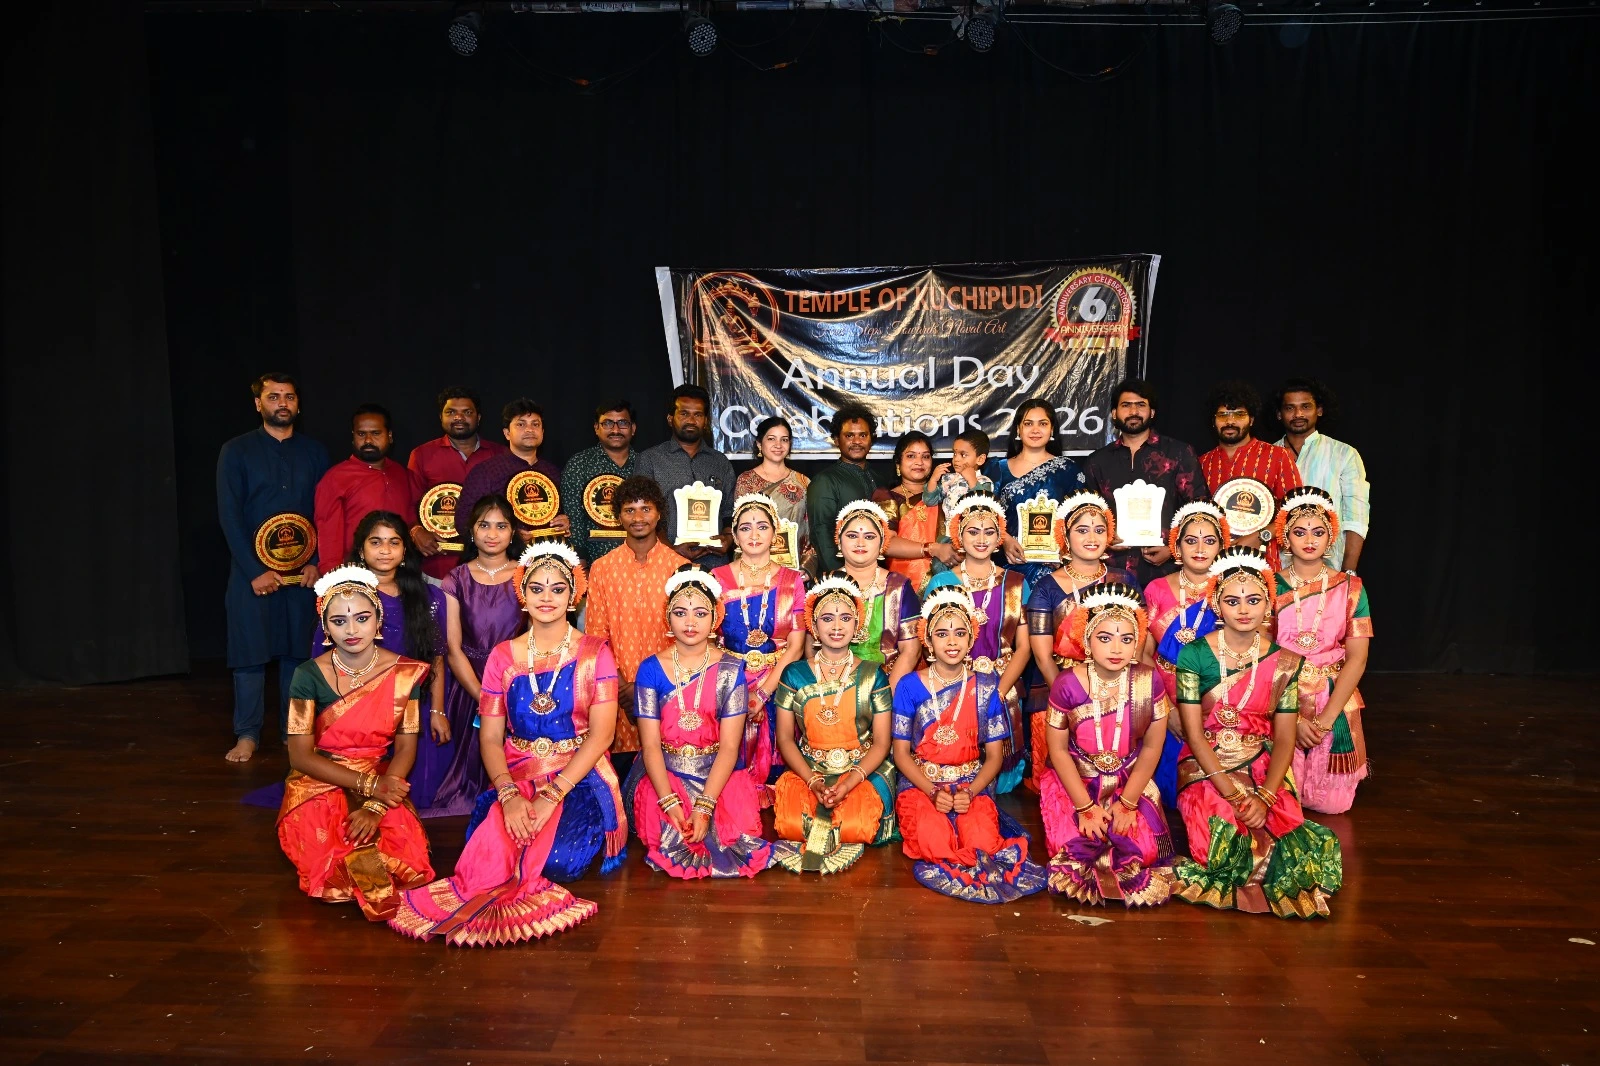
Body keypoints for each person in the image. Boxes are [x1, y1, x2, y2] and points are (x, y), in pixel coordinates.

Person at [389, 542, 626, 945]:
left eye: (557, 589)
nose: (546, 597)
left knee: (558, 862)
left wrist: (551, 795)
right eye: (537, 588)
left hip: (577, 775)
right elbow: (492, 736)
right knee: (494, 847)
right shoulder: (503, 656)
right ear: (523, 594)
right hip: (517, 773)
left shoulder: (594, 653)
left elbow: (602, 735)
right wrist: (509, 794)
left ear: (573, 596)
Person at [1171, 548, 1343, 918]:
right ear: (1218, 605)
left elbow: (1284, 739)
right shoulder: (1193, 656)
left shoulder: (1286, 662)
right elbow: (1194, 735)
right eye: (1233, 601)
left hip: (1263, 767)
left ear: (1268, 603)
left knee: (1295, 849)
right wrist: (1234, 796)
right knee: (1223, 845)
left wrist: (1264, 797)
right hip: (1208, 767)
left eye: (1253, 600)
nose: (1244, 609)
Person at [277, 566, 433, 920]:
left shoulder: (405, 673)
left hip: (380, 775)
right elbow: (300, 755)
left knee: (406, 859)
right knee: (335, 857)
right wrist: (370, 787)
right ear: (326, 627)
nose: (351, 630)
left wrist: (376, 805)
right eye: (339, 621)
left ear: (378, 620)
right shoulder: (307, 675)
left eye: (361, 618)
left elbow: (406, 748)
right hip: (318, 780)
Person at [891, 588, 1046, 903]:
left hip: (968, 784)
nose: (951, 642)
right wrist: (933, 791)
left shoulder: (987, 687)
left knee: (983, 844)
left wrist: (971, 792)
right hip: (922, 784)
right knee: (933, 842)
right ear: (928, 640)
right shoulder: (909, 685)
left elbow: (993, 757)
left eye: (960, 633)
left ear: (971, 638)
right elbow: (901, 754)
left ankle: (966, 822)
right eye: (942, 634)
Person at [626, 567, 774, 879]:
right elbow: (650, 745)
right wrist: (670, 803)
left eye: (700, 613)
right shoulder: (650, 670)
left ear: (715, 618)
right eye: (680, 613)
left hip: (719, 778)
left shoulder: (731, 669)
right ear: (668, 618)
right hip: (667, 774)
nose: (690, 622)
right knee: (672, 837)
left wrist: (705, 807)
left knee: (736, 838)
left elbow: (731, 746)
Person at [217, 372, 329, 762]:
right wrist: (253, 571)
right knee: (248, 655)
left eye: (289, 396)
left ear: (298, 404)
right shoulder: (236, 451)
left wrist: (318, 562)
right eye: (274, 396)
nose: (282, 403)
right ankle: (246, 734)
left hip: (303, 575)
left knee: (297, 657)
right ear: (258, 403)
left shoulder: (315, 452)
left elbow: (324, 513)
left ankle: (291, 733)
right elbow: (229, 516)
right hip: (252, 574)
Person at [1040, 584, 1175, 907]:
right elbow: (1057, 751)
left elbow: (1152, 748)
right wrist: (1085, 808)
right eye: (1105, 638)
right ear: (1086, 641)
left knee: (1146, 851)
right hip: (1076, 776)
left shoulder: (1147, 680)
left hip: (1129, 778)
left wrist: (1128, 803)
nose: (1116, 648)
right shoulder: (1067, 682)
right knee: (1070, 843)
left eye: (1126, 639)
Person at [313, 513, 448, 813]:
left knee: (423, 792)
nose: (385, 550)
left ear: (404, 552)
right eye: (376, 542)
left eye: (394, 542)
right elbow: (323, 660)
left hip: (413, 707)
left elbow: (436, 656)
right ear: (361, 550)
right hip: (358, 704)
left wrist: (437, 710)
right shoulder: (345, 597)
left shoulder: (428, 597)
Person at [770, 577, 897, 873]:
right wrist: (813, 780)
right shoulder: (795, 674)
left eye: (845, 618)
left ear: (857, 625)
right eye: (827, 618)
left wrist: (850, 780)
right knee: (789, 824)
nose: (836, 626)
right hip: (810, 770)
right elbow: (786, 739)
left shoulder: (872, 675)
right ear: (813, 627)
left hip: (860, 770)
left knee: (856, 826)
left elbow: (881, 743)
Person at [1272, 487, 1373, 814]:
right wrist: (1295, 719)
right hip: (1280, 699)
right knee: (1284, 803)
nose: (1309, 540)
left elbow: (1357, 659)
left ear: (1331, 537)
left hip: (1332, 700)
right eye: (1299, 532)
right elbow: (1260, 656)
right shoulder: (1267, 586)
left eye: (1318, 532)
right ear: (1285, 536)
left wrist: (1325, 719)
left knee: (1333, 806)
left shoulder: (1350, 588)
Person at [923, 493, 1032, 794]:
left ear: (1000, 538)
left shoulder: (1016, 583)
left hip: (1004, 683)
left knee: (1005, 785)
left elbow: (1024, 647)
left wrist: (996, 692)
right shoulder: (942, 583)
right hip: (954, 684)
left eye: (989, 531)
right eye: (973, 531)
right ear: (959, 535)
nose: (981, 539)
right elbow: (931, 644)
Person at [430, 495, 526, 817]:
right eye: (484, 525)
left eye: (501, 526)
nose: (492, 533)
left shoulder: (525, 575)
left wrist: (509, 693)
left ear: (512, 533)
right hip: (469, 682)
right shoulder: (455, 578)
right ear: (471, 531)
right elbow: (452, 648)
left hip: (519, 681)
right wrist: (484, 697)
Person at [711, 494, 808, 798]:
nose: (754, 535)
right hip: (729, 678)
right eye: (745, 527)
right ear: (735, 534)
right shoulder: (718, 578)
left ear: (775, 532)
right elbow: (710, 641)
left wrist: (764, 691)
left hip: (778, 680)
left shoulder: (793, 580)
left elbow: (795, 644)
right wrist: (740, 690)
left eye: (762, 527)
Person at [1024, 490, 1120, 790]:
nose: (1092, 536)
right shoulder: (1046, 587)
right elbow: (1041, 657)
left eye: (1099, 529)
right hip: (1059, 688)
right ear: (1065, 536)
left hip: (1116, 691)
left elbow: (1136, 646)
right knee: (1059, 789)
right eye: (1082, 529)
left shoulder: (1122, 581)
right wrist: (1072, 702)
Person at [584, 476, 683, 760]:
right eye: (629, 510)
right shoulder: (602, 568)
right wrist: (622, 687)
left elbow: (687, 635)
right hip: (616, 693)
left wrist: (647, 687)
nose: (638, 518)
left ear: (659, 513)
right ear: (618, 517)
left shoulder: (680, 568)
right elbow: (596, 635)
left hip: (669, 689)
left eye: (645, 509)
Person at [1082, 378, 1210, 589]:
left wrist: (1173, 547)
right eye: (1126, 405)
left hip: (1167, 572)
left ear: (1152, 412)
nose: (1133, 411)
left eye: (1141, 405)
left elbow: (1199, 509)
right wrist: (1103, 536)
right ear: (1114, 413)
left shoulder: (1178, 453)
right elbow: (1086, 514)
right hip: (1111, 571)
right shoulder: (1097, 461)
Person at [1142, 501, 1230, 806]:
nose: (1200, 549)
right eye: (1191, 540)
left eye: (1210, 541)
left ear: (1222, 545)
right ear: (1176, 546)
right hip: (1163, 694)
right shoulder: (1156, 589)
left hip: (1215, 696)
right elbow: (1143, 656)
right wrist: (1167, 708)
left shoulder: (1232, 589)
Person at [971, 398, 1089, 589]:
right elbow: (981, 515)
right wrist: (1005, 539)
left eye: (1043, 423)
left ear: (1052, 430)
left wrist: (1065, 548)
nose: (1035, 430)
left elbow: (1082, 518)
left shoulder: (1068, 470)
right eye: (1028, 424)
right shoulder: (995, 469)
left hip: (1055, 570)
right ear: (1018, 429)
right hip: (1007, 567)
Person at [314, 404, 434, 587]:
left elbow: (410, 517)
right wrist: (337, 583)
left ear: (390, 436)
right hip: (356, 577)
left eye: (376, 433)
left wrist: (417, 530)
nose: (368, 440)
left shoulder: (401, 473)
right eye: (361, 434)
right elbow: (328, 537)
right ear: (353, 437)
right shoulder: (335, 478)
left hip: (401, 575)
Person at [406, 386, 507, 580]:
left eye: (467, 412)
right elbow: (410, 503)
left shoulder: (500, 454)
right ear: (441, 417)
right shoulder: (422, 455)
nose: (459, 418)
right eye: (451, 412)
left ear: (478, 417)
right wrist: (416, 531)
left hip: (491, 564)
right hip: (439, 563)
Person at [1274, 378, 1370, 572]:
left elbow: (1356, 518)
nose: (1298, 414)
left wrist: (1347, 574)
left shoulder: (1343, 454)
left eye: (1306, 406)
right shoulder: (1267, 456)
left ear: (1319, 410)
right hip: (1277, 574)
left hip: (1330, 570)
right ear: (1279, 414)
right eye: (1290, 408)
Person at [635, 384, 736, 567]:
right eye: (684, 413)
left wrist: (729, 539)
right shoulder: (649, 459)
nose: (691, 420)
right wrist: (669, 548)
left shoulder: (720, 462)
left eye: (698, 414)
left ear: (705, 421)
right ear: (670, 418)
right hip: (664, 562)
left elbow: (730, 511)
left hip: (715, 563)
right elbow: (642, 513)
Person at [830, 499, 922, 687]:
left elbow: (911, 651)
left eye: (870, 537)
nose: (860, 543)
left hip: (887, 685)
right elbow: (811, 646)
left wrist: (885, 698)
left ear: (882, 544)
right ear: (839, 542)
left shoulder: (899, 587)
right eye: (852, 536)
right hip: (832, 686)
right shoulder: (826, 584)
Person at [1198, 382, 1302, 542]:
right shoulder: (1202, 463)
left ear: (1251, 420)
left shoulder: (1278, 456)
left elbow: (1297, 509)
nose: (1230, 422)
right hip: (1211, 559)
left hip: (1264, 558)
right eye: (1222, 415)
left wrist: (1261, 536)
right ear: (1213, 421)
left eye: (1239, 415)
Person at [457, 399, 570, 543]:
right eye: (521, 424)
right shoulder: (486, 472)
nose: (529, 429)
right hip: (504, 560)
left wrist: (566, 521)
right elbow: (463, 520)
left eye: (535, 424)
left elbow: (570, 515)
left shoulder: (553, 472)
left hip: (550, 557)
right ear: (507, 433)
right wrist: (505, 535)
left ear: (542, 432)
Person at [561, 399, 638, 566]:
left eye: (623, 423)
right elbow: (574, 519)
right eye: (608, 423)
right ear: (596, 428)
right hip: (595, 562)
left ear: (633, 428)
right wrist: (580, 565)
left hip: (641, 561)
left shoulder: (645, 463)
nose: (615, 430)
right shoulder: (579, 464)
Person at [806, 403, 880, 574]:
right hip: (843, 577)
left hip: (877, 573)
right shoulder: (825, 481)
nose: (857, 442)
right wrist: (839, 575)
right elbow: (820, 532)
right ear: (837, 440)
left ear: (871, 439)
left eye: (863, 435)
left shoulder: (880, 478)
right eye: (849, 435)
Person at [874, 431, 950, 595]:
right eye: (911, 456)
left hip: (947, 584)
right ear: (898, 463)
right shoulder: (887, 497)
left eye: (925, 456)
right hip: (903, 588)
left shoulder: (946, 494)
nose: (919, 462)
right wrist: (933, 549)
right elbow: (886, 543)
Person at [733, 415, 811, 570]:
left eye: (784, 439)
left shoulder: (803, 482)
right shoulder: (746, 481)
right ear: (759, 444)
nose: (778, 445)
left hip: (795, 569)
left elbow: (810, 531)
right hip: (756, 568)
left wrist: (807, 567)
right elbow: (739, 529)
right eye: (771, 439)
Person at [926, 427, 996, 511]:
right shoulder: (949, 479)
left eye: (963, 455)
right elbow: (930, 501)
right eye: (955, 453)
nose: (956, 459)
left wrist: (972, 480)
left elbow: (983, 507)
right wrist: (933, 479)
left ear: (980, 459)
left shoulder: (984, 482)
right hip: (949, 524)